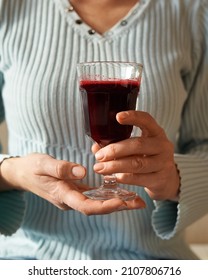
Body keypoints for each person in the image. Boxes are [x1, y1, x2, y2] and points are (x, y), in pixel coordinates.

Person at [0, 0, 207, 260]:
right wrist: (13, 172)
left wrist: (174, 179)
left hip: (153, 262)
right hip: (28, 259)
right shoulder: (7, 8)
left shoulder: (195, 12)